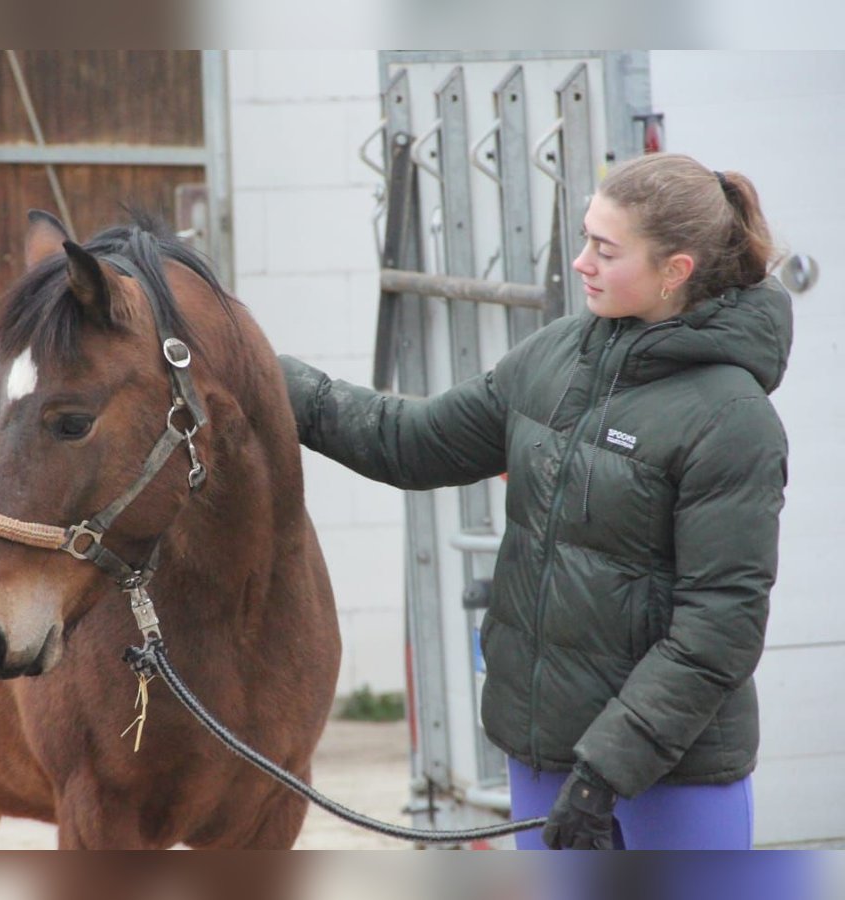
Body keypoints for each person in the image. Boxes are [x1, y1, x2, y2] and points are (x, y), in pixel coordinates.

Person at [280, 153, 791, 850]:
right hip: (546, 762)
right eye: (586, 238)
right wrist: (259, 371)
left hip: (668, 781)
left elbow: (718, 632)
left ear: (676, 270)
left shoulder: (732, 418)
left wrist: (605, 769)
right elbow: (410, 442)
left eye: (604, 250)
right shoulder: (556, 355)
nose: (581, 262)